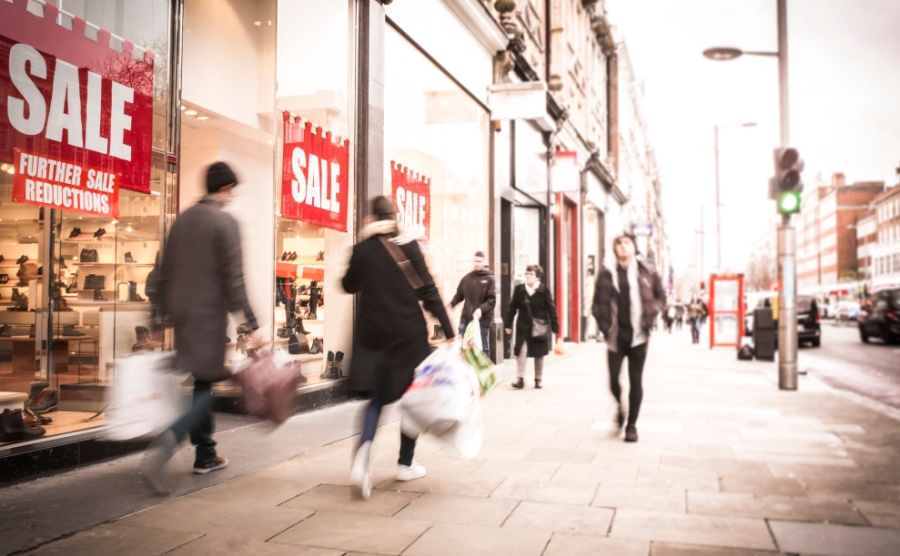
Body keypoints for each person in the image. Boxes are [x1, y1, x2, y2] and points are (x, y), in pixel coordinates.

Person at [142, 161, 263, 494]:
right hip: (208, 315)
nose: (232, 195)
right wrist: (251, 324)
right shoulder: (224, 221)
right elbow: (234, 280)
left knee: (202, 381)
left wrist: (156, 319)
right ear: (225, 188)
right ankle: (167, 443)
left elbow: (162, 273)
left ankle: (205, 455)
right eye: (232, 189)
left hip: (182, 315)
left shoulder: (182, 220)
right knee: (206, 383)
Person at [343, 196, 453, 500]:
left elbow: (348, 285)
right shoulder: (410, 246)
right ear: (395, 217)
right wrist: (448, 330)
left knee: (376, 401)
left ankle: (362, 457)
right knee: (412, 400)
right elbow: (429, 291)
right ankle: (405, 463)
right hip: (407, 334)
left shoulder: (362, 249)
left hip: (373, 335)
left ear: (370, 218)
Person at [591, 234, 664, 443]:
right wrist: (604, 326)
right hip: (615, 336)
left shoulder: (647, 271)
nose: (623, 247)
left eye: (626, 243)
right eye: (619, 244)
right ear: (615, 249)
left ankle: (631, 425)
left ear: (634, 247)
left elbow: (661, 296)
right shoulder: (607, 273)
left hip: (639, 336)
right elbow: (597, 303)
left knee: (635, 380)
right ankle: (620, 408)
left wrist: (652, 312)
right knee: (613, 380)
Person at [504, 264, 559, 390]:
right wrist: (508, 324)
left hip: (539, 326)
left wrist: (555, 327)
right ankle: (520, 379)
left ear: (538, 277)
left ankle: (538, 379)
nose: (528, 276)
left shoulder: (544, 290)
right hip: (523, 325)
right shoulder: (519, 290)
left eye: (531, 274)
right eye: (526, 274)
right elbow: (512, 308)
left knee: (539, 353)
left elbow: (551, 309)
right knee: (521, 351)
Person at [449, 251, 496, 359]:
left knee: (482, 349)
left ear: (484, 262)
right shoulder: (467, 279)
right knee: (462, 347)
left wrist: (481, 310)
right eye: (475, 261)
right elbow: (459, 295)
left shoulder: (489, 279)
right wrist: (451, 305)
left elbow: (491, 300)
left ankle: (485, 374)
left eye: (479, 261)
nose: (476, 263)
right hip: (465, 319)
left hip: (481, 321)